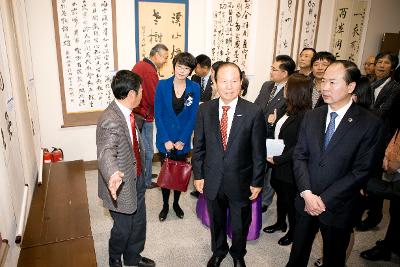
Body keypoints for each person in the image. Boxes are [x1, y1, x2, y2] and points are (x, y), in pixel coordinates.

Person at [286, 60, 384, 267]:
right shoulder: (312, 115)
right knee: (297, 255)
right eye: (323, 81)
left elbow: (362, 170)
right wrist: (306, 193)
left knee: (334, 257)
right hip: (306, 199)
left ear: (351, 87)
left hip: (339, 204)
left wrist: (323, 199)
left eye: (333, 82)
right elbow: (300, 156)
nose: (325, 87)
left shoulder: (369, 123)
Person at [192, 62, 266, 267]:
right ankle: (219, 251)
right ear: (215, 82)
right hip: (212, 178)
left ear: (241, 82)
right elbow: (198, 147)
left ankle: (238, 254)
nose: (229, 86)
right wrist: (198, 176)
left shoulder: (253, 111)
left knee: (240, 222)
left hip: (241, 180)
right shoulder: (205, 110)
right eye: (224, 81)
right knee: (216, 220)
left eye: (234, 81)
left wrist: (257, 181)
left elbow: (259, 152)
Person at [97, 70, 155, 267]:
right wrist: (112, 173)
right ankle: (115, 259)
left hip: (136, 177)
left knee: (138, 222)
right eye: (140, 91)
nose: (142, 94)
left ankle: (133, 257)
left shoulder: (129, 114)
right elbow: (106, 150)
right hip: (120, 184)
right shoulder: (111, 118)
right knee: (123, 228)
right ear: (131, 94)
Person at [263, 73, 312, 247]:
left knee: (290, 201)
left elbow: (299, 146)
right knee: (281, 197)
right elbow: (278, 135)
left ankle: (293, 232)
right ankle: (280, 223)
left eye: (287, 87)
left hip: (290, 167)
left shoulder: (307, 116)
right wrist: (270, 124)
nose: (284, 89)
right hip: (277, 163)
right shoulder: (286, 108)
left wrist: (278, 159)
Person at [357, 52, 400, 231]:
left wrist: (361, 111)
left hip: (381, 139)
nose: (381, 65)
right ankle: (361, 210)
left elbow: (383, 112)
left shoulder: (395, 87)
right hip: (366, 136)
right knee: (362, 176)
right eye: (379, 62)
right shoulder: (371, 83)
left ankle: (375, 216)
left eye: (386, 63)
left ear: (393, 66)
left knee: (374, 179)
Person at [154, 52, 200, 221]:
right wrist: (165, 139)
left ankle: (176, 204)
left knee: (179, 174)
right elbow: (158, 114)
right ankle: (166, 205)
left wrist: (182, 139)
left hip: (182, 140)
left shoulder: (194, 88)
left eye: (186, 68)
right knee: (166, 173)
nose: (182, 70)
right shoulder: (162, 85)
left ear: (191, 71)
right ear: (174, 66)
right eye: (179, 66)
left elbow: (193, 116)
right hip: (164, 139)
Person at [254, 55, 296, 213]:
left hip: (275, 137)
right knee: (258, 165)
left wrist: (273, 121)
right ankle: (255, 194)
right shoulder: (267, 85)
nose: (271, 72)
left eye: (274, 69)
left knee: (271, 169)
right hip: (258, 133)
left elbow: (290, 116)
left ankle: (265, 201)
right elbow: (258, 105)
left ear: (285, 73)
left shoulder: (291, 89)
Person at [132, 43, 169, 189]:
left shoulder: (141, 65)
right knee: (147, 149)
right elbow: (154, 97)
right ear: (157, 55)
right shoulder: (149, 70)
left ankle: (146, 173)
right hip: (144, 114)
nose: (165, 61)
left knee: (143, 147)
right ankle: (146, 181)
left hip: (139, 112)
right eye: (165, 57)